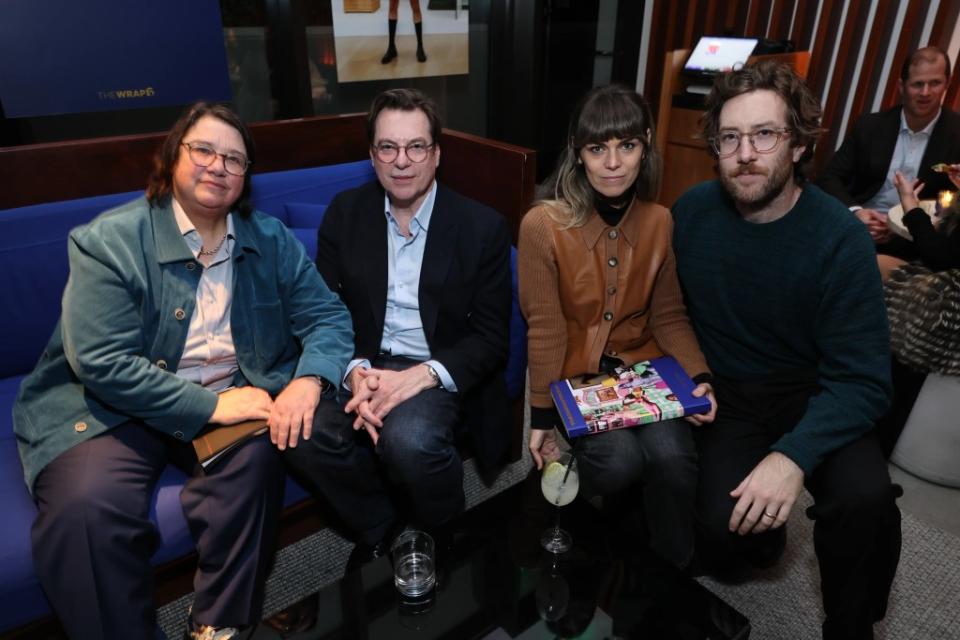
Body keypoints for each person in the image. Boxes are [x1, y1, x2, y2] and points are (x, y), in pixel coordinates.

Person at [12, 102, 354, 640]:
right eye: (204, 150)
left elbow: (327, 316)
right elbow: (99, 361)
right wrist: (214, 405)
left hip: (229, 397)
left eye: (235, 159)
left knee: (257, 460)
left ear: (246, 178)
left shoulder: (268, 239)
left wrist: (309, 380)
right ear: (174, 157)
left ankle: (217, 626)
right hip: (111, 411)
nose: (219, 166)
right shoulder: (111, 240)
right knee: (85, 515)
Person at [671, 61, 902, 640]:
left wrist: (793, 457)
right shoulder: (692, 213)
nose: (746, 152)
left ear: (798, 145)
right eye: (730, 137)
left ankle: (851, 629)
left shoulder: (840, 239)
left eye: (765, 134)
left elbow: (866, 380)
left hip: (819, 390)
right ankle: (762, 534)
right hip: (732, 394)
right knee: (724, 541)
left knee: (866, 501)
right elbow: (665, 313)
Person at [283, 88, 512, 566]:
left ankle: (443, 530)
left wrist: (421, 376)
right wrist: (354, 373)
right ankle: (383, 526)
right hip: (359, 358)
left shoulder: (480, 227)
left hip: (433, 365)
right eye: (388, 147)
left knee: (408, 439)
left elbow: (491, 338)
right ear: (372, 156)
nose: (402, 161)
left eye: (416, 147)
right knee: (300, 432)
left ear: (436, 154)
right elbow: (322, 309)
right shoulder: (345, 214)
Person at [518, 84, 716, 570]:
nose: (613, 162)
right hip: (576, 380)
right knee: (620, 462)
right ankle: (595, 525)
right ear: (577, 153)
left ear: (646, 144)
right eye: (597, 147)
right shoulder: (542, 225)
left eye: (627, 146)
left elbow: (668, 314)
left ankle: (669, 576)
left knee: (673, 460)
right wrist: (542, 420)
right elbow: (544, 327)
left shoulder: (660, 222)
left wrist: (698, 376)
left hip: (644, 372)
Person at [817, 46, 960, 257]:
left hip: (917, 240)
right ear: (902, 87)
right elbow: (829, 178)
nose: (926, 93)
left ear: (947, 83)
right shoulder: (870, 126)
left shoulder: (957, 133)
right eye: (917, 84)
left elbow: (951, 202)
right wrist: (856, 213)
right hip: (860, 226)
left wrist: (905, 223)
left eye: (935, 83)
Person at [873, 166, 960, 455]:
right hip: (947, 274)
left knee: (875, 270)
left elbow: (939, 255)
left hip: (947, 299)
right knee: (876, 262)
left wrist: (909, 202)